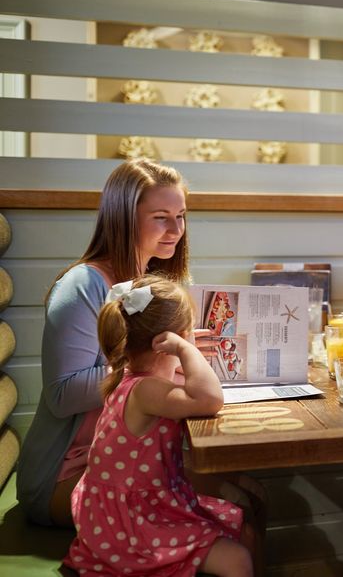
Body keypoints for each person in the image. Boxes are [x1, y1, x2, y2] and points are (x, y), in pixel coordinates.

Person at [18, 158, 191, 527]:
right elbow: (63, 394)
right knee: (231, 506)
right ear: (123, 217)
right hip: (66, 474)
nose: (176, 229)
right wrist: (159, 363)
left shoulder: (148, 283)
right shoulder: (83, 285)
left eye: (181, 216)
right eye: (161, 216)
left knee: (245, 495)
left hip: (123, 460)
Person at [64, 275, 252, 577]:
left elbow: (187, 389)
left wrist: (181, 352)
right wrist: (187, 351)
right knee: (239, 558)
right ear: (168, 343)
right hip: (133, 523)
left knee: (236, 517)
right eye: (187, 335)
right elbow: (211, 399)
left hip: (127, 507)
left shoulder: (131, 377)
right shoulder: (147, 391)